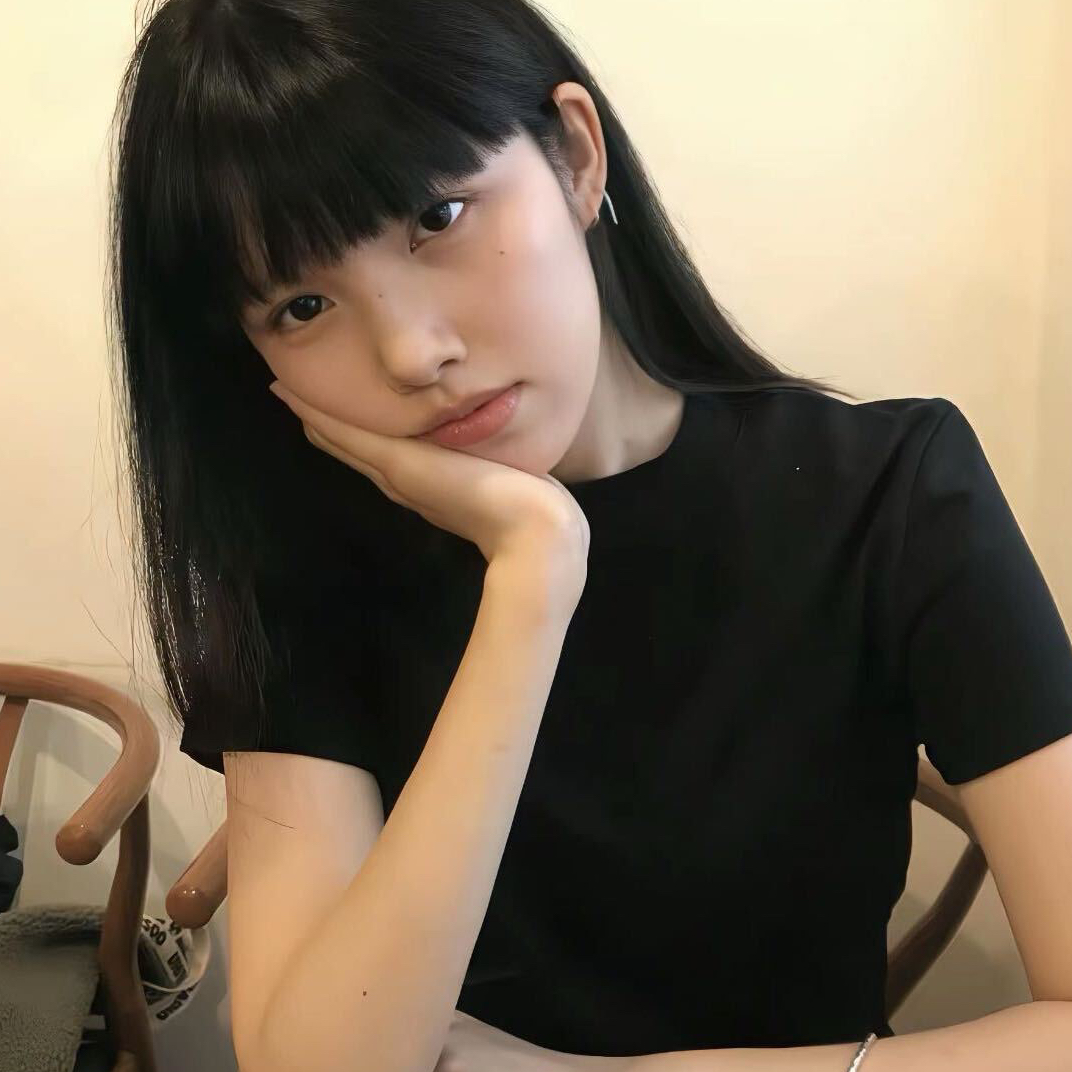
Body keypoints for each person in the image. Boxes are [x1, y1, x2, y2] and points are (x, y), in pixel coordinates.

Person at [105, 2, 1072, 1071]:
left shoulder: (891, 492)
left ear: (573, 154)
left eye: (436, 215)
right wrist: (534, 575)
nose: (411, 353)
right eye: (300, 306)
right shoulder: (304, 566)